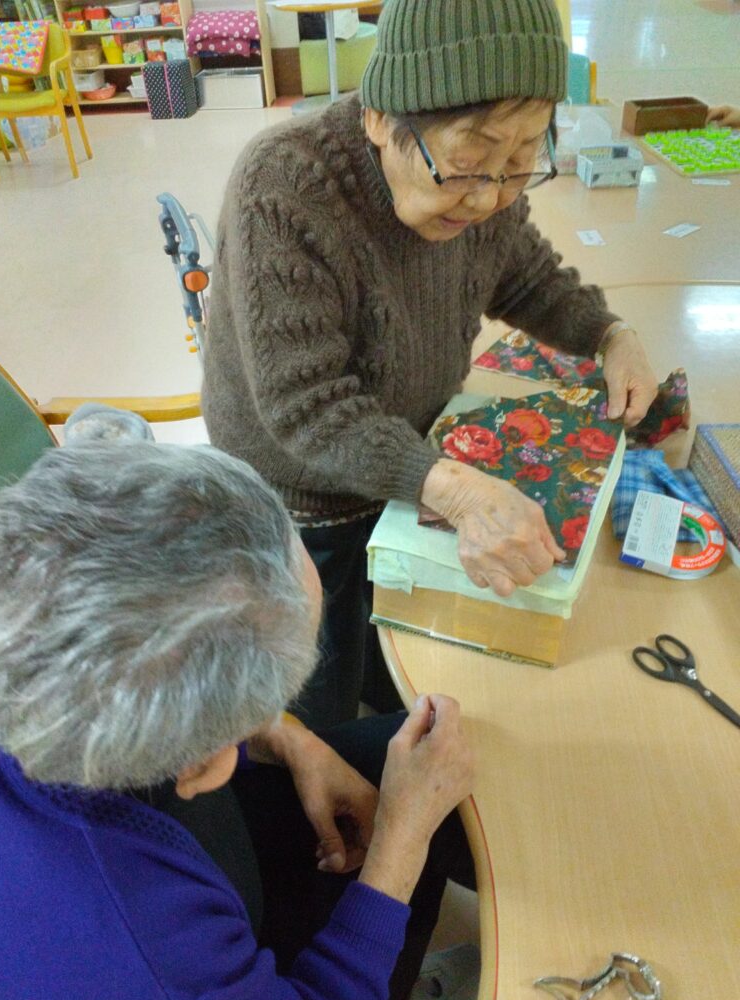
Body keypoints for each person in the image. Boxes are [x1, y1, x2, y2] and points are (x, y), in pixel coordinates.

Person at [202, 0, 659, 729]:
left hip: (415, 460)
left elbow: (525, 278)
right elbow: (308, 409)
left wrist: (612, 335)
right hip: (304, 498)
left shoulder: (486, 189)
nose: (488, 198)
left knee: (409, 668)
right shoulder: (285, 185)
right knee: (317, 706)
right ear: (380, 118)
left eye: (521, 162)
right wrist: (459, 493)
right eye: (466, 167)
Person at [0, 443, 477, 1000]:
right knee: (411, 814)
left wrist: (289, 738)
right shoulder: (159, 970)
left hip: (156, 849)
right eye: (267, 704)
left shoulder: (6, 617)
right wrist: (402, 838)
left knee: (394, 765)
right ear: (201, 767)